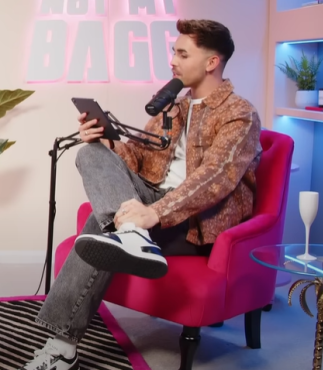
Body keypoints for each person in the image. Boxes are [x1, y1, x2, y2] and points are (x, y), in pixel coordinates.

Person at [20, 20, 262, 370]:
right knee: (89, 153)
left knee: (99, 225)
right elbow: (139, 156)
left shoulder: (239, 113)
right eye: (174, 52)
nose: (173, 61)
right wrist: (106, 143)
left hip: (196, 221)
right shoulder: (172, 107)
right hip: (150, 198)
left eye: (182, 53)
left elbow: (215, 178)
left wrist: (156, 213)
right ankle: (130, 234)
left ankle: (62, 346)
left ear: (212, 62)